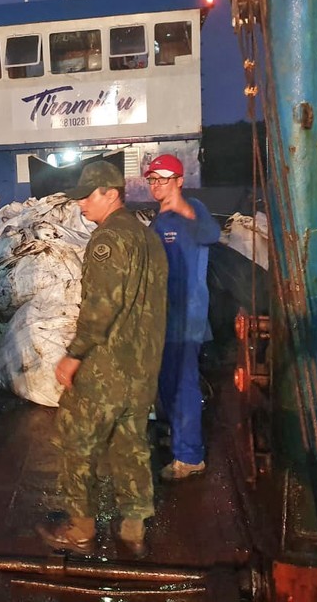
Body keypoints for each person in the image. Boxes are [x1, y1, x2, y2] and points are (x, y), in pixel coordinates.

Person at [36, 161, 168, 558]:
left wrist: (74, 356)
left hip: (107, 366)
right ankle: (133, 528)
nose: (80, 206)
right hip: (142, 368)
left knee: (75, 443)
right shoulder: (148, 238)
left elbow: (100, 309)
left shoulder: (108, 240)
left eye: (86, 196)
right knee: (131, 444)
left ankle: (80, 528)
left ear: (111, 193)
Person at [145, 154, 221, 481]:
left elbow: (211, 234)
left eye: (163, 179)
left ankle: (190, 457)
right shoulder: (157, 222)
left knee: (184, 383)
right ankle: (178, 437)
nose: (156, 185)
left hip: (187, 317)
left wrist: (183, 208)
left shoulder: (195, 210)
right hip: (162, 315)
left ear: (179, 181)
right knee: (166, 382)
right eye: (152, 180)